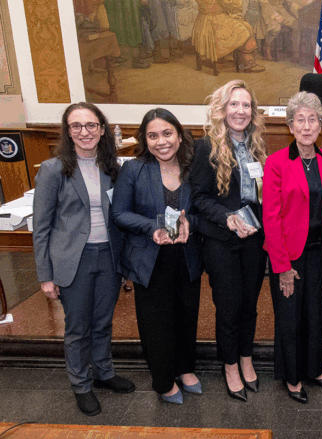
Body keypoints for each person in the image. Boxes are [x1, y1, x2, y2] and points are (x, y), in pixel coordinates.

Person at [33, 102, 135, 416]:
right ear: (68, 132)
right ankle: (81, 384)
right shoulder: (53, 169)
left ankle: (104, 373)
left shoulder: (112, 166)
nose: (84, 132)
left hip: (108, 256)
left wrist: (127, 263)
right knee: (78, 328)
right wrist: (45, 275)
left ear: (102, 129)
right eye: (76, 126)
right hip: (71, 260)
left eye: (91, 125)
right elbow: (41, 226)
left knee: (103, 322)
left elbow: (121, 216)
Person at [112, 108, 204, 405]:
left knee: (186, 316)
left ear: (179, 134)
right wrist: (151, 226)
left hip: (187, 256)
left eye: (167, 133)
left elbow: (205, 208)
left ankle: (186, 368)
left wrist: (194, 222)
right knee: (156, 322)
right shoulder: (134, 169)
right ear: (144, 139)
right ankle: (163, 380)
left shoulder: (194, 167)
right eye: (153, 135)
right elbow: (120, 213)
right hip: (149, 259)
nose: (161, 141)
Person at [190, 79, 268, 402]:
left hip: (252, 238)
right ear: (222, 110)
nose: (240, 111)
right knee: (229, 305)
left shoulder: (257, 146)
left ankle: (246, 357)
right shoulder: (205, 147)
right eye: (234, 104)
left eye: (246, 105)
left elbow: (261, 195)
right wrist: (227, 218)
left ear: (253, 111)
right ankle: (231, 365)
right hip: (221, 239)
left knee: (250, 304)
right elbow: (198, 198)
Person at [263, 92, 322, 404]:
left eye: (312, 120)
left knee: (313, 313)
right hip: (288, 255)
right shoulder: (277, 162)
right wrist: (282, 267)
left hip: (319, 252)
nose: (306, 126)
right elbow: (271, 217)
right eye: (299, 120)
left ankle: (314, 368)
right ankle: (292, 376)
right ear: (290, 126)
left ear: (320, 125)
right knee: (289, 316)